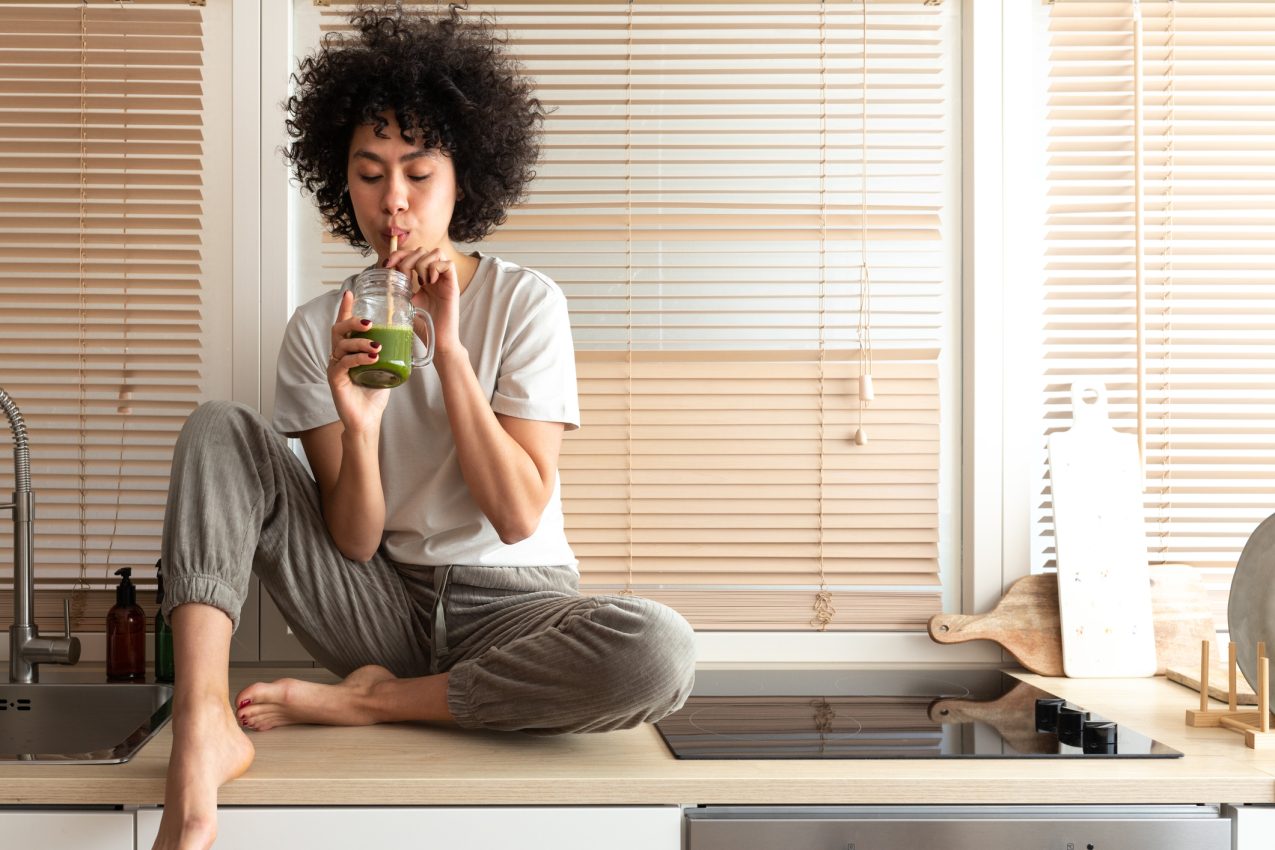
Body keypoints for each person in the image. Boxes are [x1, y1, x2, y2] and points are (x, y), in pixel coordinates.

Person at [150, 9, 696, 850]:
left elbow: (516, 516)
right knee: (219, 426)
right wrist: (359, 422)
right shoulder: (317, 329)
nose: (392, 202)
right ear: (342, 184)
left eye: (417, 173)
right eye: (368, 175)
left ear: (462, 180)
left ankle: (372, 701)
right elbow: (355, 540)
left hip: (512, 610)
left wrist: (449, 353)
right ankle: (202, 731)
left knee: (657, 651)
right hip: (380, 605)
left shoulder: (525, 303)